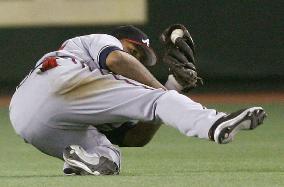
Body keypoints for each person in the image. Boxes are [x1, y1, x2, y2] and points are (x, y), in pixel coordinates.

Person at [9, 25, 266, 176]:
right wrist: (165, 92)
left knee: (109, 157)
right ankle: (215, 123)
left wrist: (173, 86)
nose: (136, 60)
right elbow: (117, 60)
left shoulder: (107, 93)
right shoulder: (99, 41)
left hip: (27, 121)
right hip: (60, 79)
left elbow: (135, 139)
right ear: (118, 40)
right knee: (156, 100)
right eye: (134, 51)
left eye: (140, 58)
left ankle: (84, 162)